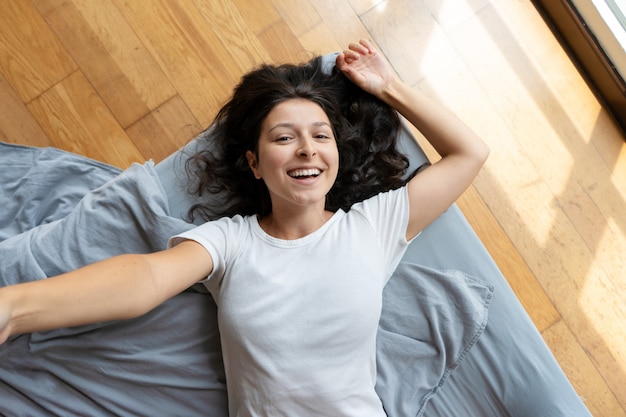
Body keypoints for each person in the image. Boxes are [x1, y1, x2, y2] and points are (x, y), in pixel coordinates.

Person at [0, 40, 489, 416]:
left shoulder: (373, 225)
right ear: (255, 164)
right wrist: (16, 307)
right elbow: (147, 278)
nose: (307, 149)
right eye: (284, 137)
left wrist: (388, 87)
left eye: (321, 136)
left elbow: (470, 154)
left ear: (336, 156)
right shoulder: (232, 240)